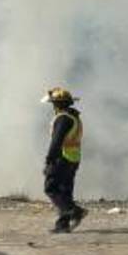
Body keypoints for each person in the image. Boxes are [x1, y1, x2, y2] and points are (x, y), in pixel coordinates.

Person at [41, 87, 87, 233]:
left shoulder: (62, 119)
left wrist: (49, 160)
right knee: (65, 192)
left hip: (62, 157)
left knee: (51, 188)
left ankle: (74, 210)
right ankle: (62, 225)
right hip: (73, 157)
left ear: (57, 104)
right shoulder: (74, 117)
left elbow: (56, 142)